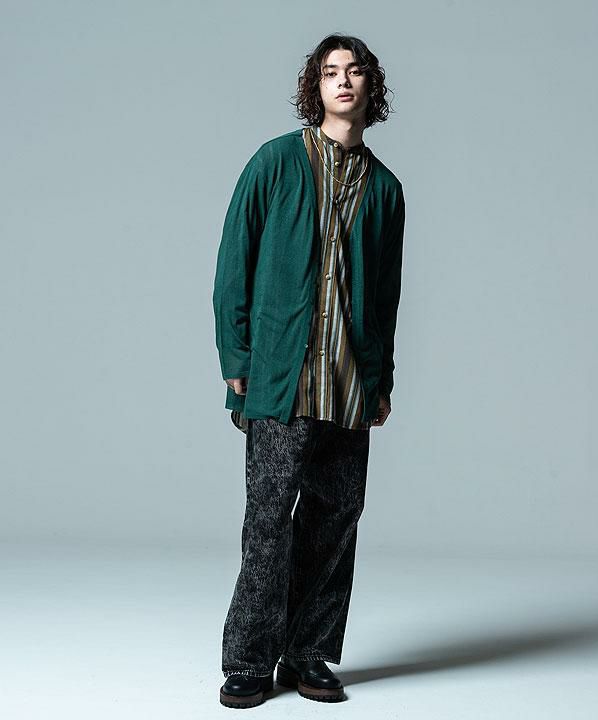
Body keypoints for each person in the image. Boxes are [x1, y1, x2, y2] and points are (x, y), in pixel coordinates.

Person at [212, 33, 406, 708]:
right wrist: (237, 356)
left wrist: (381, 379)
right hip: (279, 380)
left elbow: (385, 296)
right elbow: (233, 261)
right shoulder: (275, 162)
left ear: (370, 86)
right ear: (315, 87)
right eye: (330, 72)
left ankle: (307, 654)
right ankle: (248, 660)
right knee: (268, 523)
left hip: (350, 385)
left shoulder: (386, 189)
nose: (343, 81)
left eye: (354, 71)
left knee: (334, 520)